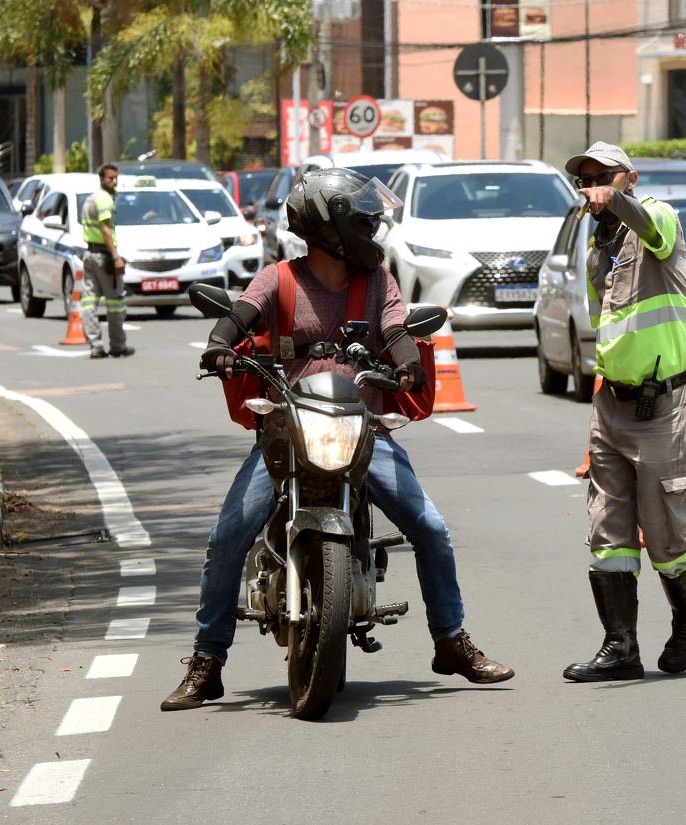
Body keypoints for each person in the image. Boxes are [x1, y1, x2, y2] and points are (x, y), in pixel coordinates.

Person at [161, 169, 513, 711]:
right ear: (329, 225)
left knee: (432, 529)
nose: (373, 226)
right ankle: (207, 662)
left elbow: (396, 331)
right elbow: (238, 317)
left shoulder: (378, 283)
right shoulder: (277, 278)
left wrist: (405, 367)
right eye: (363, 217)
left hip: (362, 429)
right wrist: (218, 345)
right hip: (286, 427)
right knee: (227, 535)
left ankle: (451, 642)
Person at [561, 142, 686, 683]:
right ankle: (620, 647)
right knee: (607, 530)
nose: (592, 186)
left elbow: (649, 225)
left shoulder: (659, 219)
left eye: (603, 176)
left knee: (666, 534)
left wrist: (614, 199)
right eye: (585, 179)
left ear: (630, 178)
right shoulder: (600, 245)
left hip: (660, 405)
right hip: (611, 404)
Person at [80, 163, 134, 359]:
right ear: (102, 179)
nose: (114, 181)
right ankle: (118, 346)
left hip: (90, 255)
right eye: (110, 178)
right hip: (104, 257)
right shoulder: (104, 200)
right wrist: (116, 257)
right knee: (116, 302)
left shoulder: (91, 199)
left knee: (89, 301)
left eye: (116, 177)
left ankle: (95, 345)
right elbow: (104, 229)